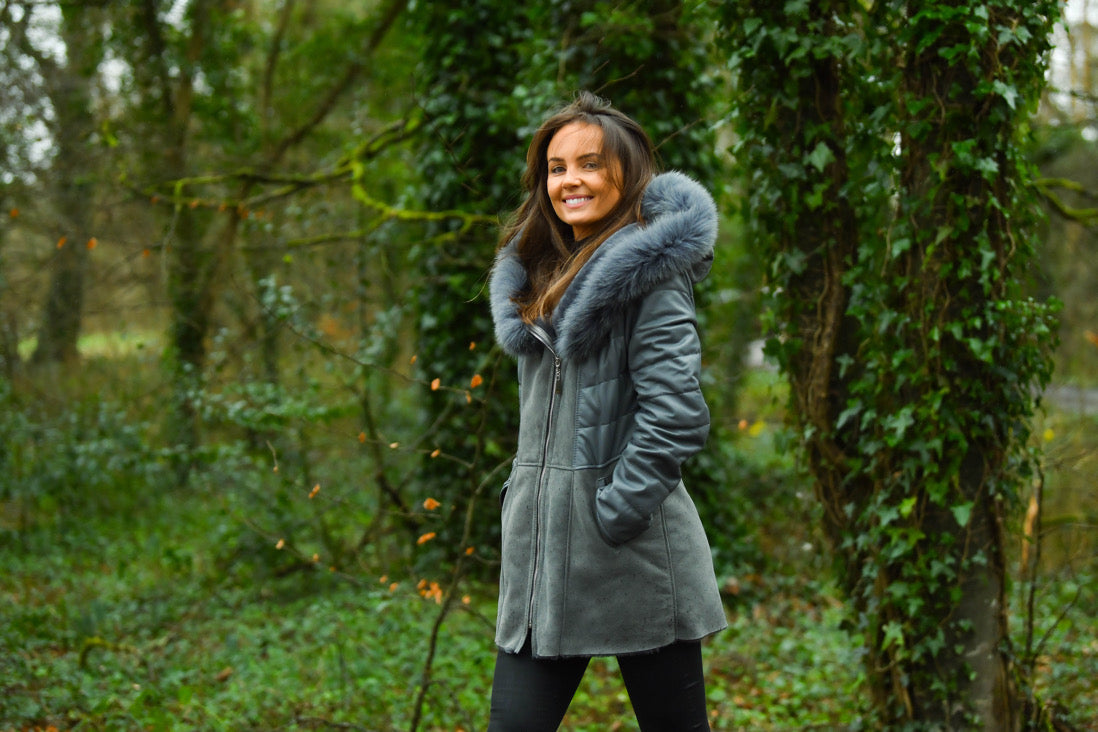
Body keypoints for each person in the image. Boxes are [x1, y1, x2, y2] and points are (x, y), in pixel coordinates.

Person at [487, 91, 726, 731]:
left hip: (635, 550)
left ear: (628, 173)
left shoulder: (649, 272)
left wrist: (614, 509)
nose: (571, 181)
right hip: (544, 554)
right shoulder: (539, 271)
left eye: (590, 164)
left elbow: (675, 412)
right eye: (557, 167)